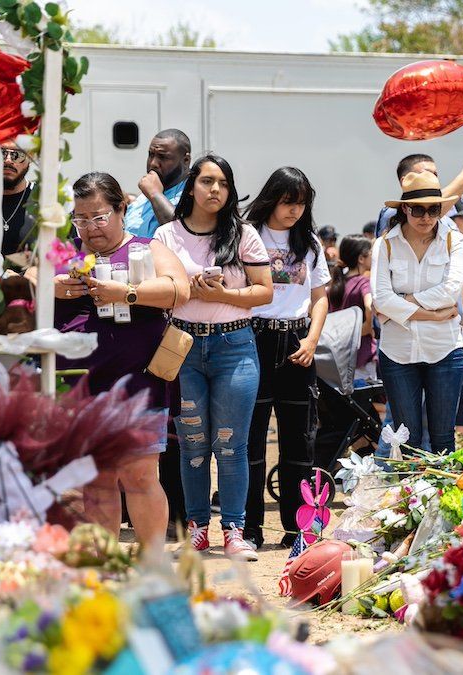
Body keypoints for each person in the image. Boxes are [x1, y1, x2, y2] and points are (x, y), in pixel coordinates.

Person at [51, 171, 190, 547]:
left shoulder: (148, 247)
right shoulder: (68, 255)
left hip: (137, 381)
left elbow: (180, 290)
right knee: (96, 479)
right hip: (82, 385)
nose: (90, 228)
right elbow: (28, 280)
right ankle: (105, 563)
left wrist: (126, 292)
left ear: (121, 210)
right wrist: (55, 286)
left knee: (140, 475)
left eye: (99, 218)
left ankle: (152, 562)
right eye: (81, 220)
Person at [156, 154, 273, 560]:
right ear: (191, 187)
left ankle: (235, 531)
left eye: (223, 183)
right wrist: (188, 285)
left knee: (231, 444)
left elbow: (265, 292)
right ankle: (197, 529)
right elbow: (158, 286)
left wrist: (220, 294)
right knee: (191, 444)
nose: (215, 190)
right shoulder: (167, 235)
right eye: (207, 181)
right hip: (183, 346)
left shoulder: (244, 235)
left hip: (234, 347)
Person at [243, 167, 329, 549]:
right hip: (254, 337)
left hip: (297, 341)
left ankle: (298, 529)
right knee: (251, 441)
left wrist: (312, 340)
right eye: (287, 201)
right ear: (272, 198)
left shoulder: (309, 242)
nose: (294, 210)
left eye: (301, 203)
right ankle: (249, 528)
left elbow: (320, 296)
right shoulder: (248, 235)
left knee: (299, 443)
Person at [372, 170, 463, 454]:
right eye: (418, 209)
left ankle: (439, 498)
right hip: (397, 352)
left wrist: (402, 302)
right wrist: (430, 314)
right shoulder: (385, 245)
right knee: (407, 438)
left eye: (433, 209)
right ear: (405, 208)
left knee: (444, 439)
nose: (426, 217)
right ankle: (411, 498)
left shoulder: (453, 239)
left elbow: (451, 291)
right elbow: (381, 299)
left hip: (445, 349)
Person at [374, 151, 463, 238]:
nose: (427, 217)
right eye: (418, 211)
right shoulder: (392, 213)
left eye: (434, 210)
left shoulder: (447, 224)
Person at [127, 129, 192, 239]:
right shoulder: (144, 196)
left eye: (163, 157)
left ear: (186, 160)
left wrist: (154, 194)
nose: (153, 163)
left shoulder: (193, 193)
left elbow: (180, 235)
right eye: (151, 155)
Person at [328, 234, 377, 382]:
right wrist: (368, 327)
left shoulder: (336, 285)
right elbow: (369, 307)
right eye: (371, 254)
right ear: (361, 259)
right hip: (362, 355)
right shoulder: (363, 282)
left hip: (339, 357)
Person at [0, 142, 36, 259]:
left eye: (18, 154)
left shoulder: (42, 199)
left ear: (30, 158)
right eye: (2, 153)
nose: (8, 160)